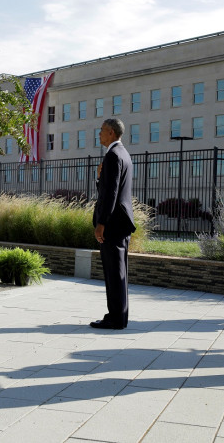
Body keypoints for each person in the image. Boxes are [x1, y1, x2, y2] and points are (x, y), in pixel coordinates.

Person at [90, 118, 136, 330]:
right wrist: (100, 178)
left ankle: (115, 318)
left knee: (113, 272)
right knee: (119, 272)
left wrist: (101, 223)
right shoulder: (124, 154)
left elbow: (111, 194)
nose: (98, 134)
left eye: (101, 130)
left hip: (113, 224)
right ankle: (119, 316)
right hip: (121, 223)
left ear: (110, 132)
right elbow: (110, 187)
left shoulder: (112, 156)